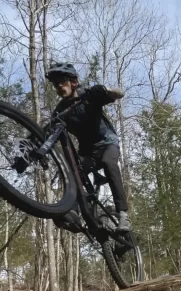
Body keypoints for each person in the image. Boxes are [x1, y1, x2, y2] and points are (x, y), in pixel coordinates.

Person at [44, 62, 131, 232]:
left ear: (73, 82)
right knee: (71, 171)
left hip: (108, 144)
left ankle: (123, 215)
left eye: (62, 81)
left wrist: (104, 90)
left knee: (109, 163)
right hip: (88, 154)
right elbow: (48, 132)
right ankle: (74, 212)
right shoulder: (60, 110)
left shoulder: (88, 95)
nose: (59, 86)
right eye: (56, 84)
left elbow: (119, 93)